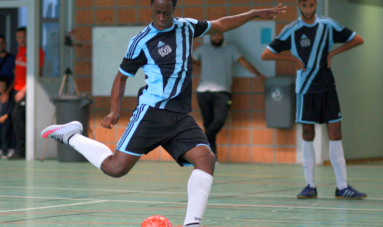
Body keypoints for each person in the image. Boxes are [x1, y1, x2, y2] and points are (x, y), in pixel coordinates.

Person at [41, 1, 286, 226]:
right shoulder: (141, 41)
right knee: (116, 168)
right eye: (156, 12)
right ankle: (71, 135)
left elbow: (222, 24)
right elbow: (121, 76)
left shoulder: (188, 28)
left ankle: (191, 223)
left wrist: (253, 14)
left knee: (206, 158)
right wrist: (114, 109)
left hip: (179, 115)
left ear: (174, 9)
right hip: (152, 112)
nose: (160, 17)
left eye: (166, 13)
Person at [261, 0, 366, 199]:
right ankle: (310, 185)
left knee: (335, 132)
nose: (308, 9)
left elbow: (357, 39)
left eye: (311, 5)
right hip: (305, 90)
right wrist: (294, 59)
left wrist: (333, 53)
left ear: (315, 4)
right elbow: (266, 54)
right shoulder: (291, 29)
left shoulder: (328, 24)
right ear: (299, 5)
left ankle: (342, 186)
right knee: (308, 134)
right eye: (304, 5)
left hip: (328, 87)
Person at [192, 33, 265, 158]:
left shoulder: (231, 48)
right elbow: (190, 61)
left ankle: (203, 140)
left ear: (223, 36)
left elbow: (243, 61)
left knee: (219, 121)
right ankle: (212, 156)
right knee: (207, 124)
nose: (217, 37)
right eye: (215, 35)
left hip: (223, 91)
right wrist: (202, 69)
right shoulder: (202, 49)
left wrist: (258, 74)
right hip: (203, 91)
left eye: (219, 35)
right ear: (210, 36)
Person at [12, 27, 45, 159]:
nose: (22, 40)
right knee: (15, 120)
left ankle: (22, 151)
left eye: (24, 37)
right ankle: (16, 148)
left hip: (26, 91)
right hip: (16, 89)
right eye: (19, 37)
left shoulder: (36, 52)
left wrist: (23, 91)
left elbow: (36, 74)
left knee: (17, 117)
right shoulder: (20, 50)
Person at [0, 76, 15, 159]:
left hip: (5, 119)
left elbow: (10, 107)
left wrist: (5, 116)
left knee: (4, 135)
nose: (1, 88)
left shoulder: (8, 97)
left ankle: (5, 151)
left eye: (3, 86)